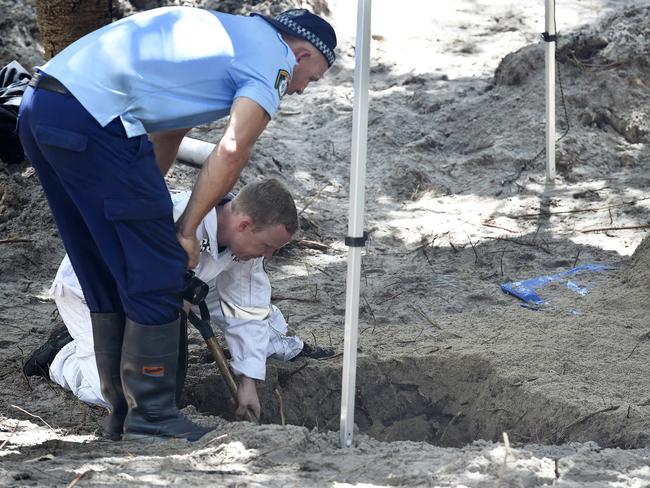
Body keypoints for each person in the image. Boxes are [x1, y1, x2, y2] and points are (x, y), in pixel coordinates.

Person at [17, 7, 337, 441]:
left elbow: (167, 135)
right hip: (98, 121)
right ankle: (152, 419)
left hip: (42, 106)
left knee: (102, 264)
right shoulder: (273, 58)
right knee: (163, 268)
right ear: (301, 54)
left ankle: (124, 415)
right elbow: (232, 148)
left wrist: (144, 207)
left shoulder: (220, 40)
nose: (300, 90)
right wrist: (184, 230)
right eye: (311, 78)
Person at [24, 178, 329, 421]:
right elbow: (136, 290)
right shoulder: (172, 218)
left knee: (264, 327)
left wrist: (248, 381)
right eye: (266, 246)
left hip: (185, 282)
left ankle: (285, 346)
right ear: (244, 224)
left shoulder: (241, 245)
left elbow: (246, 307)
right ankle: (61, 355)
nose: (269, 255)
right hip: (100, 292)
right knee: (118, 395)